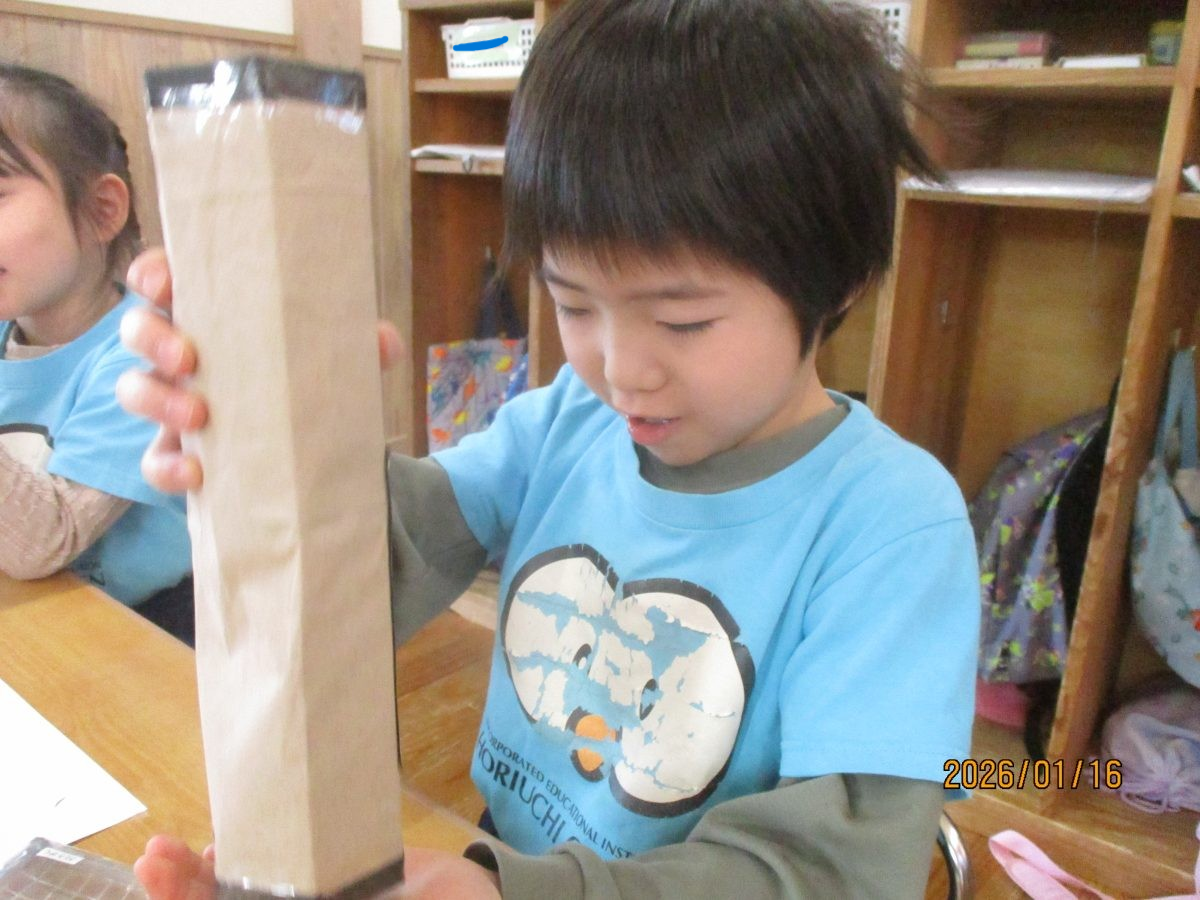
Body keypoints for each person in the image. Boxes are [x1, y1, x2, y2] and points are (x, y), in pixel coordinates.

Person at [118, 0, 979, 896]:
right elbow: (362, 573)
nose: (622, 370)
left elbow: (832, 876)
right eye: (573, 303)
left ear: (839, 282)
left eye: (683, 320)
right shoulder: (572, 418)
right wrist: (257, 432)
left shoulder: (892, 528)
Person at [0, 64, 193, 639]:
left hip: (148, 624)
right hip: (37, 611)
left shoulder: (147, 353)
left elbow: (46, 539)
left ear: (102, 211)